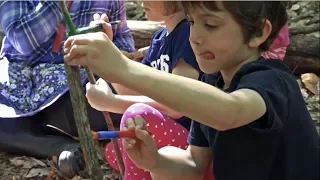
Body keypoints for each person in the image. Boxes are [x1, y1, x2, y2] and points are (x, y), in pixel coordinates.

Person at [64, 1, 319, 180]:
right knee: (168, 154)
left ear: (258, 33)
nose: (194, 37)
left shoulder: (271, 80)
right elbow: (195, 164)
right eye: (192, 22)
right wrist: (154, 161)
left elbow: (231, 111)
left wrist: (123, 69)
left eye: (210, 24)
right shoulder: (212, 81)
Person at [0, 0, 134, 170]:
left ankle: (33, 132)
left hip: (72, 85)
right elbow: (22, 41)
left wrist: (106, 40)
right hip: (20, 75)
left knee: (108, 96)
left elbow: (122, 36)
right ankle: (52, 144)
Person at [85, 1, 203, 179]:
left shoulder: (187, 34)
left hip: (193, 150)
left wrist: (111, 102)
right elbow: (132, 89)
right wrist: (106, 50)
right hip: (168, 139)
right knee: (115, 149)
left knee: (136, 116)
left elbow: (178, 106)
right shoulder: (160, 38)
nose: (142, 1)